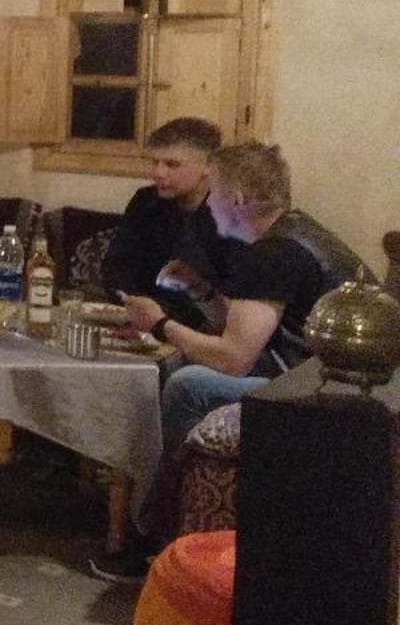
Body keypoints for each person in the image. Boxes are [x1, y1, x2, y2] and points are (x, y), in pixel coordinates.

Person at [93, 142, 372, 580]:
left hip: (319, 396)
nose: (208, 205)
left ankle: (160, 536)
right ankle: (158, 518)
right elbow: (248, 328)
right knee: (179, 368)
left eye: (215, 193)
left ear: (236, 199)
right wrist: (199, 289)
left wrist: (160, 323)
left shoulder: (273, 254)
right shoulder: (292, 233)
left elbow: (235, 358)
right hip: (325, 380)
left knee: (189, 385)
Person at [102, 117, 234, 334]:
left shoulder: (232, 215)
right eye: (155, 162)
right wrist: (132, 302)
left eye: (172, 164)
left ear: (209, 166)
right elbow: (116, 267)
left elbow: (229, 298)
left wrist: (164, 319)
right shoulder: (146, 201)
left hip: (203, 332)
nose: (158, 173)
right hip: (138, 319)